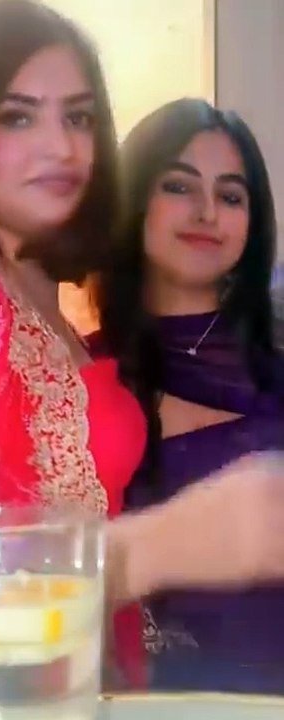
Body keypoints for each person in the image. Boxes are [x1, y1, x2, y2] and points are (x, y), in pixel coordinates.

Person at [0, 1, 284, 691]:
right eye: (17, 117)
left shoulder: (40, 299)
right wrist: (148, 550)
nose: (62, 148)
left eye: (79, 118)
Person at [97, 98, 284, 691]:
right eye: (178, 186)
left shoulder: (277, 362)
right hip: (144, 697)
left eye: (231, 196)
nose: (207, 212)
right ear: (135, 200)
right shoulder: (83, 374)